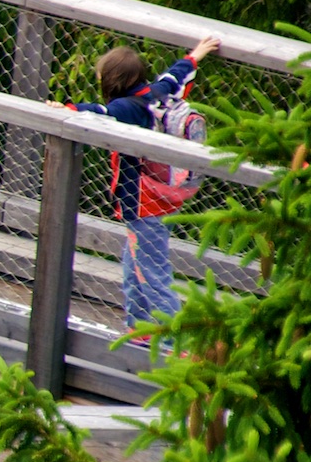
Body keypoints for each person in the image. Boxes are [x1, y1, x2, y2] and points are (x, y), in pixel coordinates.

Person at [54, 34, 222, 332]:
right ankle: (139, 329)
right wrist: (196, 54)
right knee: (135, 268)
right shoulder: (156, 94)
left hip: (144, 202)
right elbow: (176, 75)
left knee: (152, 275)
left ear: (113, 80)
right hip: (167, 195)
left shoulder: (127, 108)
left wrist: (64, 109)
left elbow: (98, 113)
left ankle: (175, 342)